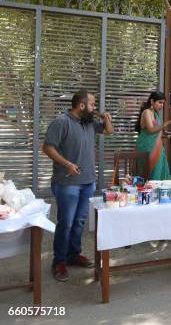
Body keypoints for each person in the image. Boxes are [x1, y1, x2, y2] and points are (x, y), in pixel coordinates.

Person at [43, 90, 113, 281]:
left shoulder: (88, 121)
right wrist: (67, 164)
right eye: (92, 104)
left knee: (79, 222)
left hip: (87, 182)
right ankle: (59, 262)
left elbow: (108, 131)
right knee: (66, 223)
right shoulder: (61, 122)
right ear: (81, 105)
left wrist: (105, 117)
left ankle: (74, 255)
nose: (94, 107)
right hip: (67, 183)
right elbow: (47, 147)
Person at [135, 91, 171, 180]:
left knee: (157, 173)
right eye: (160, 102)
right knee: (148, 174)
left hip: (156, 147)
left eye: (163, 103)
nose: (162, 105)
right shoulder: (147, 112)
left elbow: (156, 132)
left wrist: (165, 134)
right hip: (146, 147)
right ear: (152, 101)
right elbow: (150, 130)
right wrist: (169, 122)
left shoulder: (155, 114)